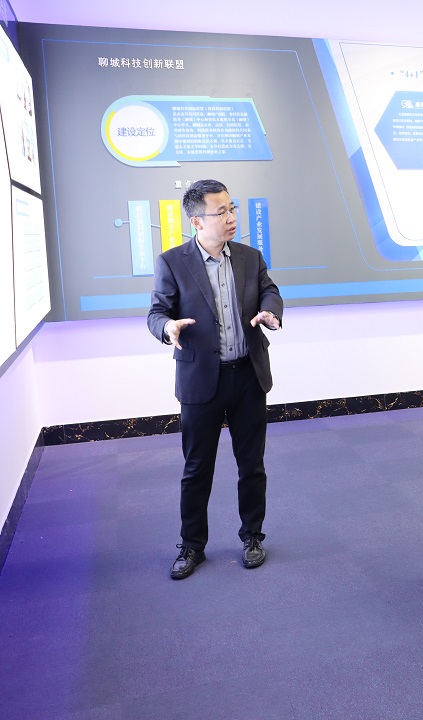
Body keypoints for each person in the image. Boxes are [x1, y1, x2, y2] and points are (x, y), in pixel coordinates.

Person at [148, 179, 283, 580]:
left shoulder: (249, 256)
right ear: (196, 221)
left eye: (232, 208)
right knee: (197, 469)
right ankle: (192, 546)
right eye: (221, 211)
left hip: (247, 376)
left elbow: (269, 291)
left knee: (252, 465)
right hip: (200, 382)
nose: (231, 217)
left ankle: (252, 536)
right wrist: (168, 327)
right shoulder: (173, 262)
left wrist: (270, 312)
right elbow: (156, 313)